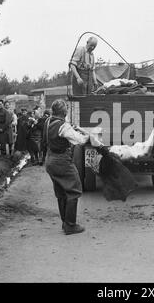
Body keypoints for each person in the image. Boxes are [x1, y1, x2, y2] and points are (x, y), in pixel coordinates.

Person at [43, 99, 90, 235]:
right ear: (64, 112)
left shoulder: (48, 121)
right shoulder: (63, 126)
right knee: (74, 190)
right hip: (61, 160)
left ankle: (65, 222)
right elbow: (80, 140)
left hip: (50, 158)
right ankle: (70, 225)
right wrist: (86, 134)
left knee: (61, 192)